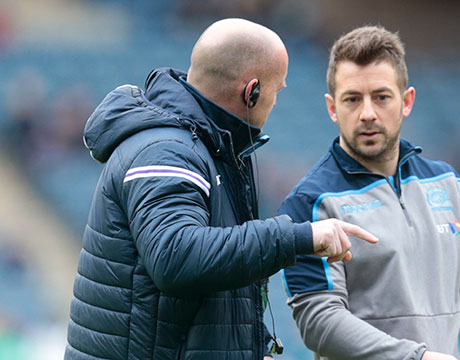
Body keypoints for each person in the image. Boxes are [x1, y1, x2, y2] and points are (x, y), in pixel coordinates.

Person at [64, 18, 377, 360]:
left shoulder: (206, 147)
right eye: (277, 90)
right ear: (252, 91)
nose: (275, 102)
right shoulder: (166, 150)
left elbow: (213, 275)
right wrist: (298, 237)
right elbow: (176, 257)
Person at [279, 25, 460, 360]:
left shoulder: (446, 184)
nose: (367, 113)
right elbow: (319, 320)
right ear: (332, 107)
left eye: (381, 97)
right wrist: (415, 357)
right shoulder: (310, 202)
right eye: (352, 99)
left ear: (406, 101)